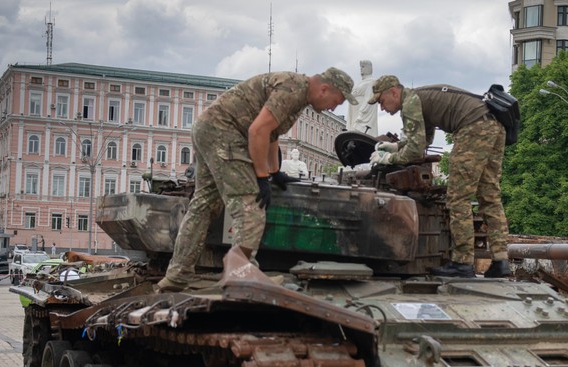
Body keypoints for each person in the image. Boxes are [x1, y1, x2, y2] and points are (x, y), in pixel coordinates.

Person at [157, 68, 358, 292]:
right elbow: (257, 131)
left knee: (203, 205)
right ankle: (243, 276)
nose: (334, 107)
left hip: (209, 129)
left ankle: (176, 276)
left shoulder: (300, 94)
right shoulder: (294, 89)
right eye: (337, 101)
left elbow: (271, 133)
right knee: (250, 207)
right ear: (325, 89)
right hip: (226, 134)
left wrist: (274, 171)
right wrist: (262, 178)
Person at [367, 75, 511, 278]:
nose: (382, 108)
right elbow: (424, 139)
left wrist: (388, 158)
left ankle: (462, 263)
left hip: (472, 127)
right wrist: (397, 146)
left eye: (381, 101)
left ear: (393, 91)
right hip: (494, 125)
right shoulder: (420, 97)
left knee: (458, 197)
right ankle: (500, 261)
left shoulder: (410, 103)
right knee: (490, 196)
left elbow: (416, 151)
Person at [346, 60, 379, 135]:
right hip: (354, 112)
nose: (361, 69)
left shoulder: (372, 82)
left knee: (358, 133)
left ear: (368, 68)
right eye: (360, 67)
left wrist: (360, 118)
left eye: (363, 67)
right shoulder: (361, 83)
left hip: (361, 116)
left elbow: (369, 102)